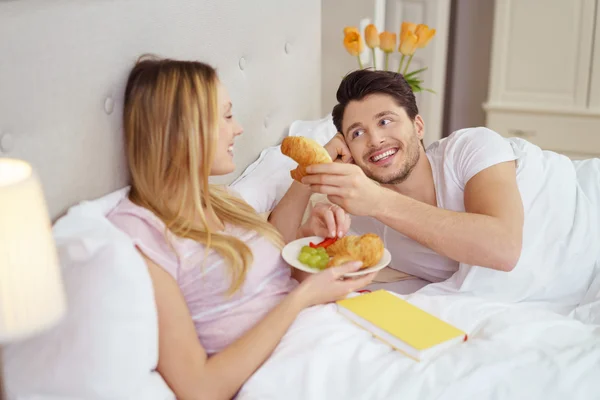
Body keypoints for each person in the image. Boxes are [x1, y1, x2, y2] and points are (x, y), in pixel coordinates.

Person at [106, 56, 375, 400]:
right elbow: (198, 388)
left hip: (321, 331)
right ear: (185, 128)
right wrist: (304, 297)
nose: (238, 128)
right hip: (288, 369)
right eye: (228, 115)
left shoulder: (216, 199)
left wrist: (311, 213)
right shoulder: (141, 236)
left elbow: (272, 254)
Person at [271, 69, 600, 304]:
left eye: (385, 121)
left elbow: (503, 248)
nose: (375, 140)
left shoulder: (469, 148)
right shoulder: (358, 212)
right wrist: (313, 168)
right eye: (357, 133)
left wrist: (379, 202)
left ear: (418, 126)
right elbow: (274, 260)